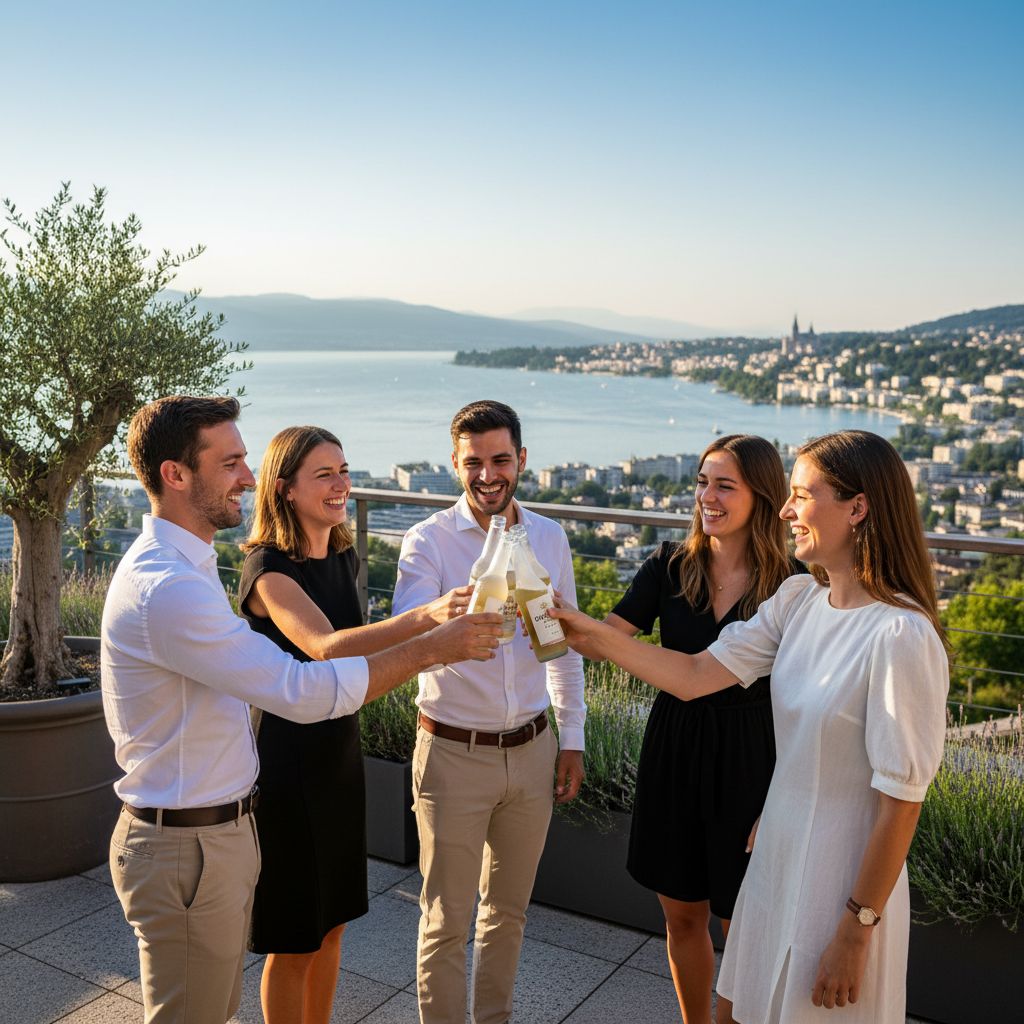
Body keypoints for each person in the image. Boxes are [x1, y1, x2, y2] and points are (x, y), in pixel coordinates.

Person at [101, 396, 501, 1024]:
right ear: (176, 475)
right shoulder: (173, 586)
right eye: (231, 461)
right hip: (201, 831)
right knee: (253, 968)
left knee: (249, 977)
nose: (247, 475)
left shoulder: (192, 567)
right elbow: (304, 683)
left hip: (223, 825)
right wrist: (433, 642)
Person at [550, 430, 949, 1024]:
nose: (786, 510)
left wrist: (856, 929)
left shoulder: (901, 635)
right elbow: (691, 674)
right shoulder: (797, 600)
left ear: (858, 508)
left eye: (801, 495)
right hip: (774, 859)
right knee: (741, 1010)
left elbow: (902, 805)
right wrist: (576, 627)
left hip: (838, 878)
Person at [239, 425, 476, 1024]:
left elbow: (359, 652)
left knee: (334, 923)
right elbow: (327, 647)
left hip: (339, 757)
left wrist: (428, 626)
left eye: (343, 470)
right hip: (288, 767)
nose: (342, 485)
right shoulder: (266, 571)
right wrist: (429, 620)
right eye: (324, 474)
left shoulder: (341, 553)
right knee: (294, 938)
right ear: (285, 488)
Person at [392, 399, 587, 1024]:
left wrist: (572, 736)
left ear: (521, 460)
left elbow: (562, 650)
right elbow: (407, 649)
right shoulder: (428, 542)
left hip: (531, 751)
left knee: (509, 914)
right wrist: (459, 610)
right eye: (473, 462)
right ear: (455, 463)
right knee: (447, 920)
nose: (487, 475)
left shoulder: (549, 538)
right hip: (452, 753)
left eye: (500, 459)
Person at [607, 434, 797, 1023]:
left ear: (761, 495)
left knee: (743, 923)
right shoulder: (669, 565)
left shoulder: (793, 585)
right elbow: (605, 637)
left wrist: (784, 796)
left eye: (724, 485)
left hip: (752, 759)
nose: (705, 497)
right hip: (675, 748)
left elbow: (802, 702)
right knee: (682, 914)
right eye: (701, 482)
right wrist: (535, 606)